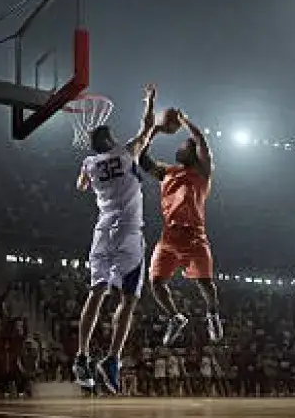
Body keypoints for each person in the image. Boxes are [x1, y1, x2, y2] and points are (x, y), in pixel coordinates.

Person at [71, 83, 158, 394]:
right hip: (128, 234)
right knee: (129, 299)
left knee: (96, 293)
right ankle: (111, 359)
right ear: (110, 140)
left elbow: (81, 186)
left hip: (102, 232)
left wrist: (92, 164)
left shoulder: (89, 164)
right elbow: (148, 127)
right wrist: (149, 101)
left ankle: (81, 356)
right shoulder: (125, 153)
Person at [138, 108, 223, 345]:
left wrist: (184, 120)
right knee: (155, 282)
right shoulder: (168, 172)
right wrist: (154, 129)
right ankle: (175, 318)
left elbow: (201, 141)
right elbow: (142, 160)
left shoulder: (203, 173)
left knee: (205, 282)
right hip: (168, 236)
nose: (180, 148)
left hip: (194, 236)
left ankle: (213, 314)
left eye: (184, 146)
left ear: (194, 153)